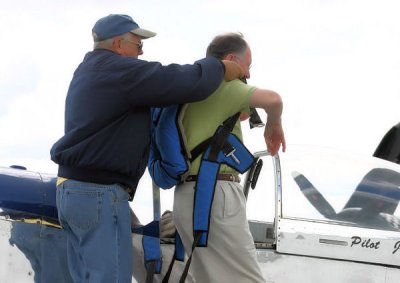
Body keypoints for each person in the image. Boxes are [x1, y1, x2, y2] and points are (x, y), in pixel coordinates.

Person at [50, 14, 244, 283]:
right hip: (99, 195)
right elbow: (179, 80)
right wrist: (219, 68)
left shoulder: (88, 70)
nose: (142, 52)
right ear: (119, 44)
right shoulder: (120, 71)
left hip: (72, 191)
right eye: (138, 45)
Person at [172, 33, 286, 282]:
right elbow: (274, 100)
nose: (250, 74)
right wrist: (273, 124)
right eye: (248, 65)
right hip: (217, 193)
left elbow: (242, 115)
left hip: (185, 196)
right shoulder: (223, 86)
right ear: (232, 59)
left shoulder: (191, 87)